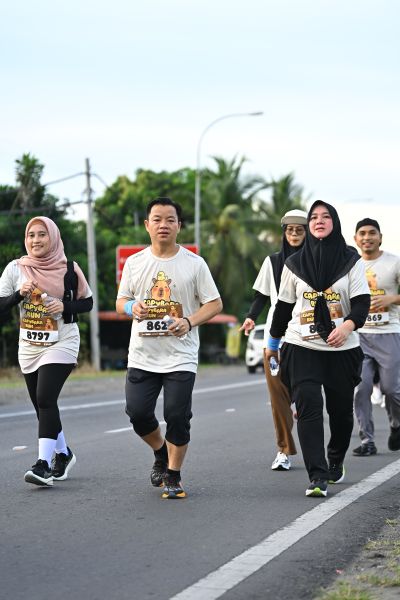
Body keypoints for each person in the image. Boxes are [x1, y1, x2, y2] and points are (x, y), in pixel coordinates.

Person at [116, 197, 222, 499]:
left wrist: (188, 321)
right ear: (147, 225)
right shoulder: (135, 263)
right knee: (138, 414)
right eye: (157, 219)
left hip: (180, 355)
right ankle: (161, 452)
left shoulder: (194, 264)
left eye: (170, 219)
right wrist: (131, 308)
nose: (163, 225)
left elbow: (214, 304)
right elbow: (121, 301)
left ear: (179, 225)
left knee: (177, 415)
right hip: (142, 355)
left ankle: (173, 475)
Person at [265, 201, 370, 497]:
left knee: (340, 413)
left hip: (342, 348)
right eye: (314, 217)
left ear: (334, 223)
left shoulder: (351, 261)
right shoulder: (294, 264)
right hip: (302, 346)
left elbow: (362, 303)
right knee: (308, 406)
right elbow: (283, 307)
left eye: (325, 216)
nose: (319, 221)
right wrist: (273, 344)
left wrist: (346, 326)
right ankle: (317, 475)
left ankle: (335, 459)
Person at [0, 216, 93, 486]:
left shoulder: (69, 269)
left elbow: (87, 303)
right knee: (42, 406)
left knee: (44, 398)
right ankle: (64, 454)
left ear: (53, 238)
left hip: (63, 340)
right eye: (31, 235)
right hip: (30, 345)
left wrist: (65, 306)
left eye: (42, 234)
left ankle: (42, 465)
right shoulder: (16, 268)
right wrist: (18, 295)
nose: (36, 240)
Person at [240, 209, 308, 471]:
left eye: (299, 230)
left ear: (307, 233)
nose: (294, 234)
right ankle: (284, 450)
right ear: (284, 233)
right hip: (275, 339)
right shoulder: (273, 261)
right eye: (290, 230)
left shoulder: (317, 262)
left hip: (307, 337)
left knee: (305, 393)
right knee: (278, 397)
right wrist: (250, 317)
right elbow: (261, 295)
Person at [352, 218, 400, 456]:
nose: (367, 237)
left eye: (372, 233)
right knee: (361, 389)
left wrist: (392, 299)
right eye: (362, 233)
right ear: (355, 239)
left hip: (389, 333)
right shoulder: (351, 266)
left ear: (380, 237)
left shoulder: (394, 262)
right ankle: (367, 440)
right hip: (359, 336)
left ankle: (396, 424)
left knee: (391, 390)